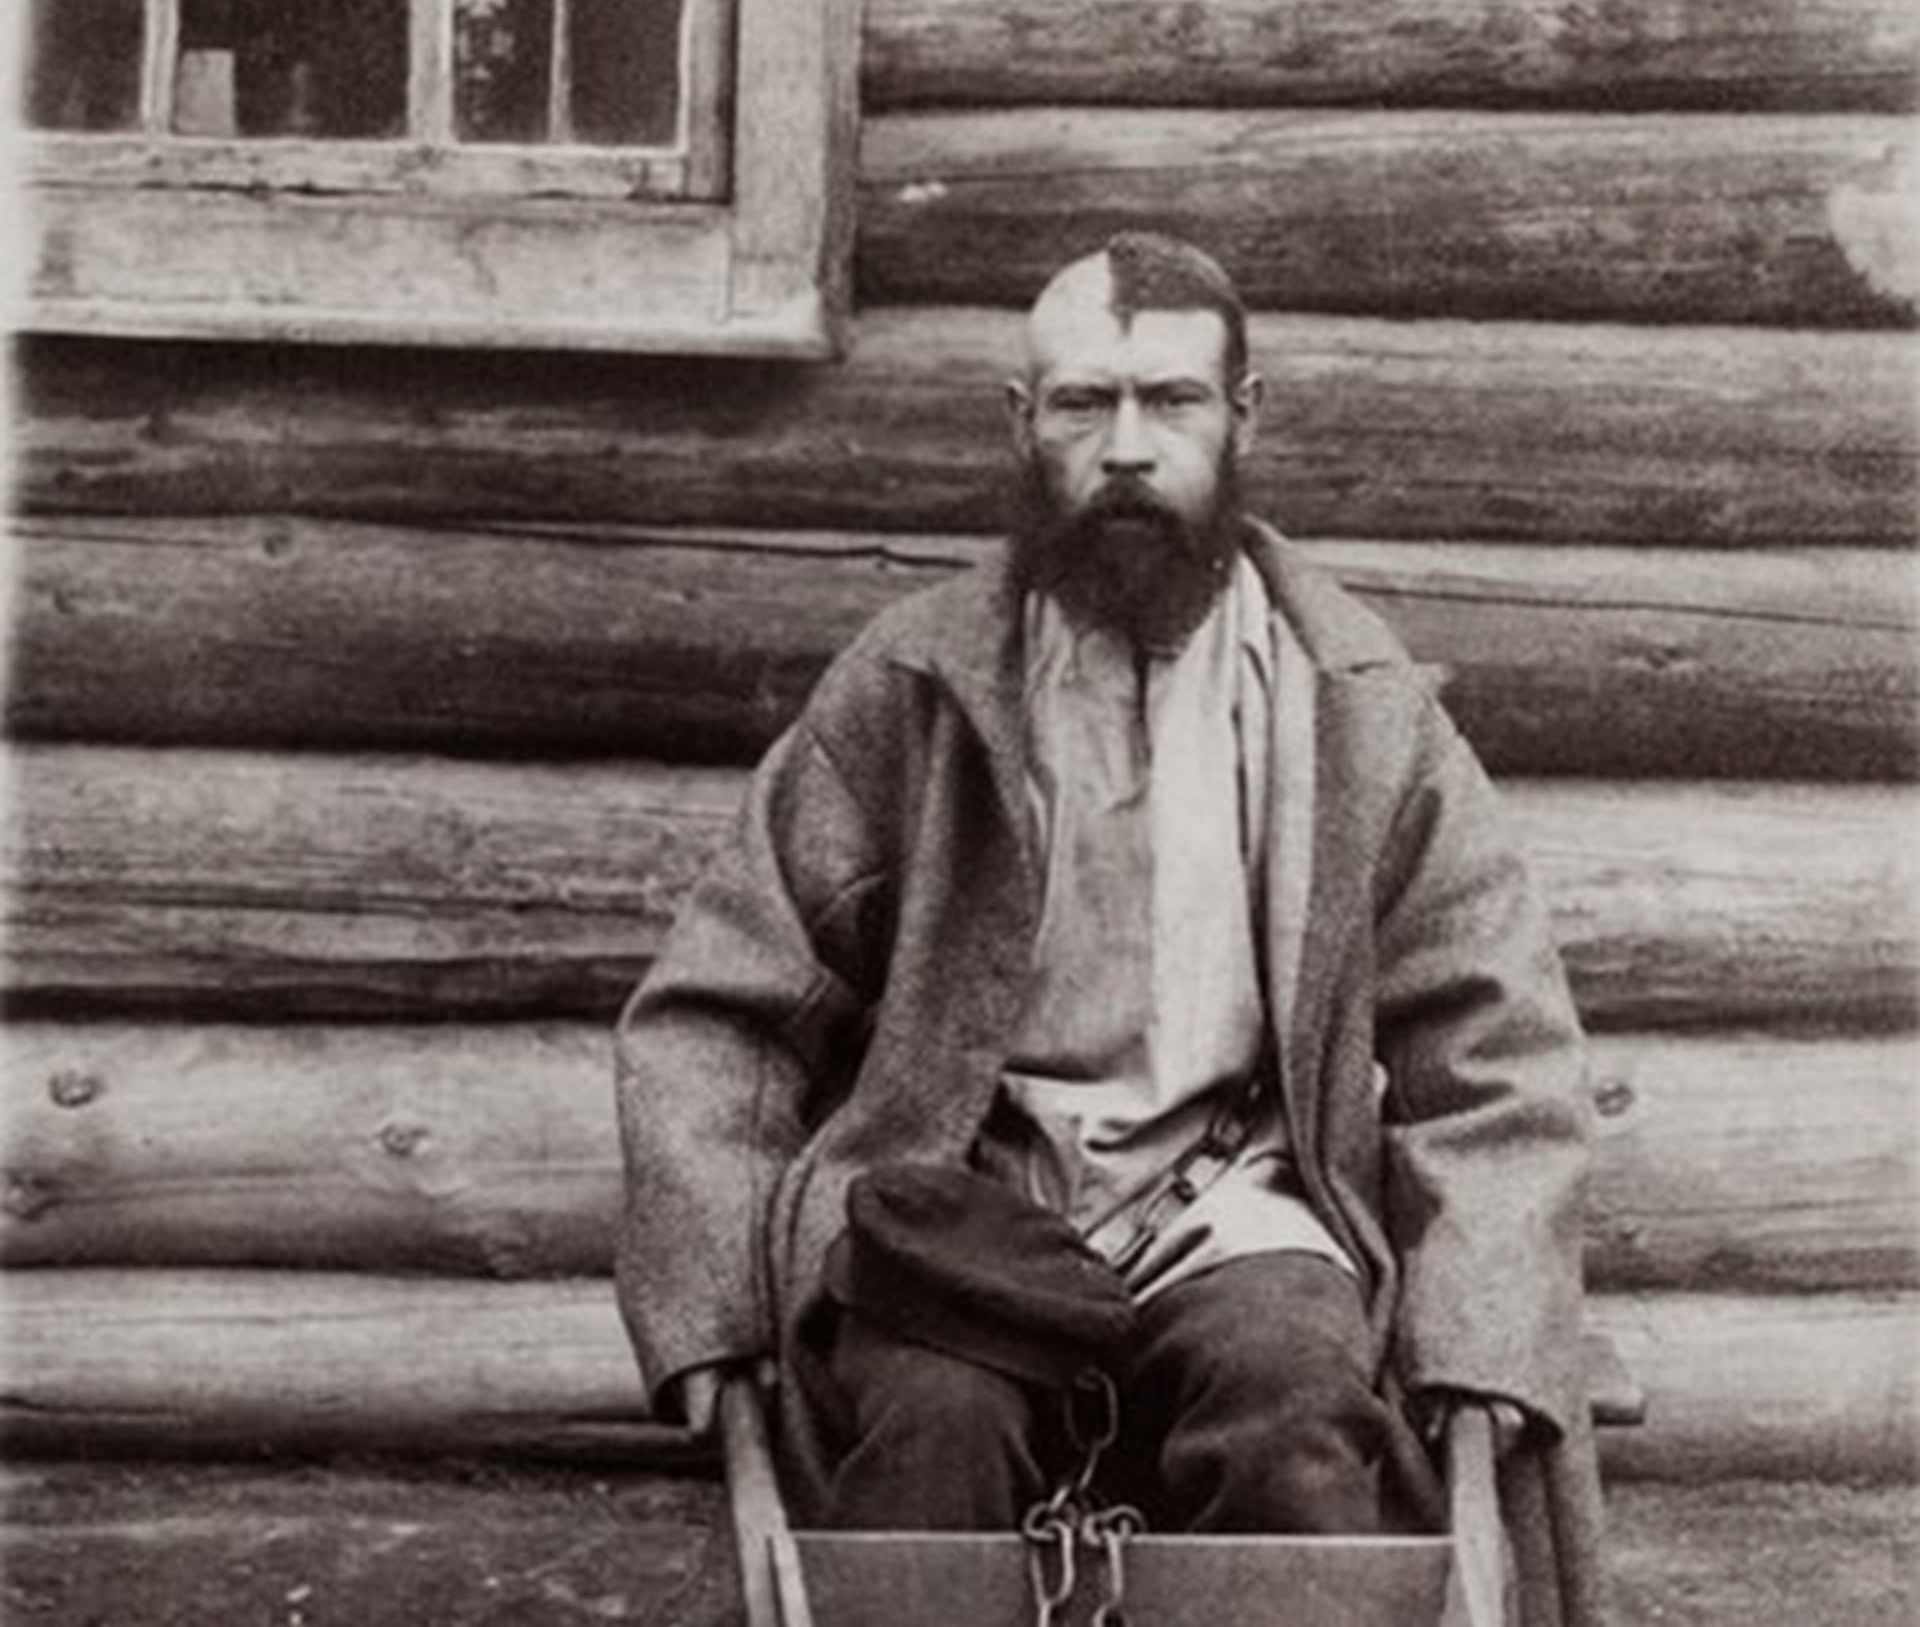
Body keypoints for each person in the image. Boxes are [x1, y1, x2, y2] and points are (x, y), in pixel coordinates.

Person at [615, 233, 1605, 1622]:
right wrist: (711, 1299)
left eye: (1172, 402)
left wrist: (1484, 1329)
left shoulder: (1356, 706)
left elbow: (1493, 1042)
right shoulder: (915, 692)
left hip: (1244, 1203)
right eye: (1084, 406)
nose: (1127, 449)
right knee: (926, 1445)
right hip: (963, 1206)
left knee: (1297, 1431)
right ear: (1024, 427)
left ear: (1242, 417)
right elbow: (723, 1011)